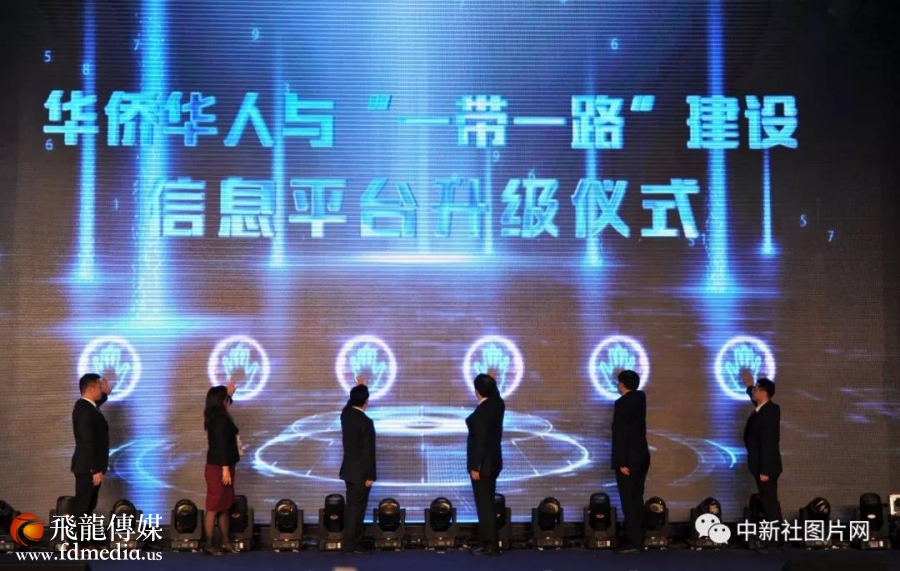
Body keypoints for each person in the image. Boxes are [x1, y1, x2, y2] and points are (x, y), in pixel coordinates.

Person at [610, 369, 650, 553]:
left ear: (623, 384)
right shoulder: (640, 398)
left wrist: (621, 462)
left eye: (619, 382)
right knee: (636, 498)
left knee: (629, 500)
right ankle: (638, 537)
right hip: (641, 457)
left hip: (629, 460)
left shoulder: (622, 403)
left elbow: (620, 434)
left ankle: (634, 540)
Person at [466, 373, 505, 557]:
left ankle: (489, 544)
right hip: (493, 462)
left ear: (478, 391)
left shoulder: (484, 410)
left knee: (485, 506)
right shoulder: (497, 404)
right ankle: (488, 541)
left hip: (484, 465)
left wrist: (476, 466)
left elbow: (480, 441)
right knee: (487, 503)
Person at [340, 382, 377, 555]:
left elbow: (349, 405)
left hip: (349, 472)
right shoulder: (366, 422)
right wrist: (371, 475)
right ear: (366, 401)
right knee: (357, 510)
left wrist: (358, 389)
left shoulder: (346, 416)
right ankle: (352, 545)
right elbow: (368, 451)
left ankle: (351, 543)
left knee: (351, 509)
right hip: (361, 474)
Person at [742, 374, 782, 530]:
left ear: (764, 393)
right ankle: (776, 535)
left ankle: (776, 537)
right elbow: (755, 401)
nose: (754, 391)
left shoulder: (770, 411)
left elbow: (769, 442)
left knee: (770, 503)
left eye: (756, 389)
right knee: (768, 502)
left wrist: (765, 470)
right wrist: (749, 386)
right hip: (761, 466)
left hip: (767, 468)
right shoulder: (763, 409)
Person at [203, 379, 239, 556]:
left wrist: (230, 393)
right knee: (214, 507)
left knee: (225, 505)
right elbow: (221, 445)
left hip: (225, 466)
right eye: (225, 397)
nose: (227, 400)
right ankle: (209, 545)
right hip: (218, 468)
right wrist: (225, 468)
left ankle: (226, 542)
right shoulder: (220, 421)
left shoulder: (218, 416)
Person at [71, 373, 111, 521]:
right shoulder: (84, 410)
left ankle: (85, 535)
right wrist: (94, 469)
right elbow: (87, 441)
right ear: (90, 389)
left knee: (89, 506)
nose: (101, 389)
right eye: (99, 386)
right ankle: (76, 536)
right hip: (87, 468)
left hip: (89, 468)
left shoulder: (87, 407)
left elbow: (95, 407)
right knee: (82, 507)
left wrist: (106, 394)